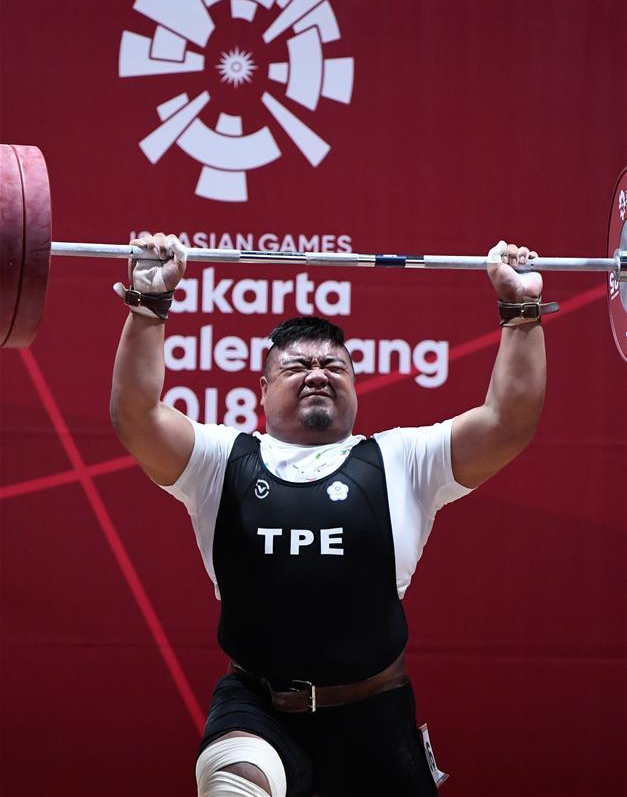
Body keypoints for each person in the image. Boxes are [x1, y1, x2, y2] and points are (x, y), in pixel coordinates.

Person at [110, 235, 550, 797]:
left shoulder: (401, 459)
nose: (317, 373)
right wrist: (150, 302)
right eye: (297, 365)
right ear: (262, 391)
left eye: (334, 366)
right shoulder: (221, 461)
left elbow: (508, 422)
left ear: (355, 388)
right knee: (232, 789)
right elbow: (137, 415)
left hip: (374, 717)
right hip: (257, 710)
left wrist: (521, 309)